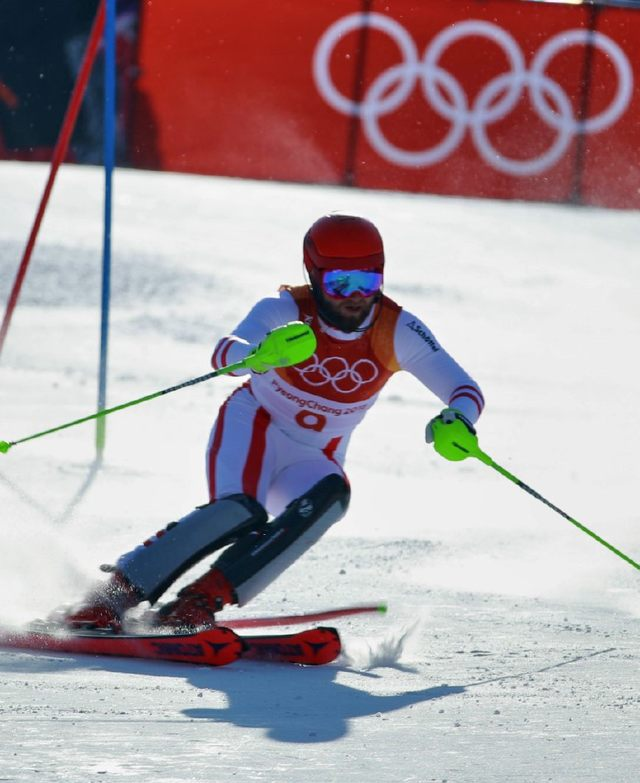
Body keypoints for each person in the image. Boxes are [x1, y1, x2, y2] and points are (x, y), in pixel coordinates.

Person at [64, 213, 485, 632]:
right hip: (255, 426)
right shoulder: (285, 311)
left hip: (316, 453)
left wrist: (460, 419)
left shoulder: (398, 330)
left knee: (332, 497)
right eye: (340, 283)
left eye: (368, 282)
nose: (355, 297)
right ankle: (114, 594)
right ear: (314, 275)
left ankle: (198, 603)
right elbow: (224, 354)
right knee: (238, 511)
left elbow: (464, 388)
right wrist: (258, 354)